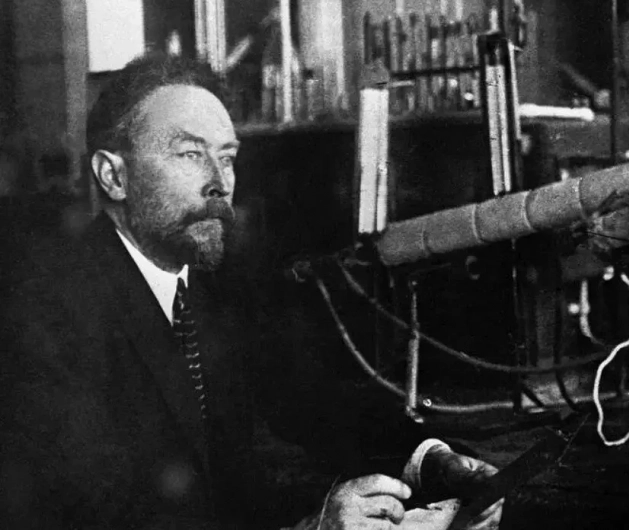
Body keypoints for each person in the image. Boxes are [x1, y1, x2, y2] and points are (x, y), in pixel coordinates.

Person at [0, 54, 502, 529]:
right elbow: (98, 513)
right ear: (114, 176)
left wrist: (433, 462)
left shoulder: (217, 283)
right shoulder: (43, 314)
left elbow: (317, 401)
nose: (220, 183)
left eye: (227, 157)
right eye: (190, 154)